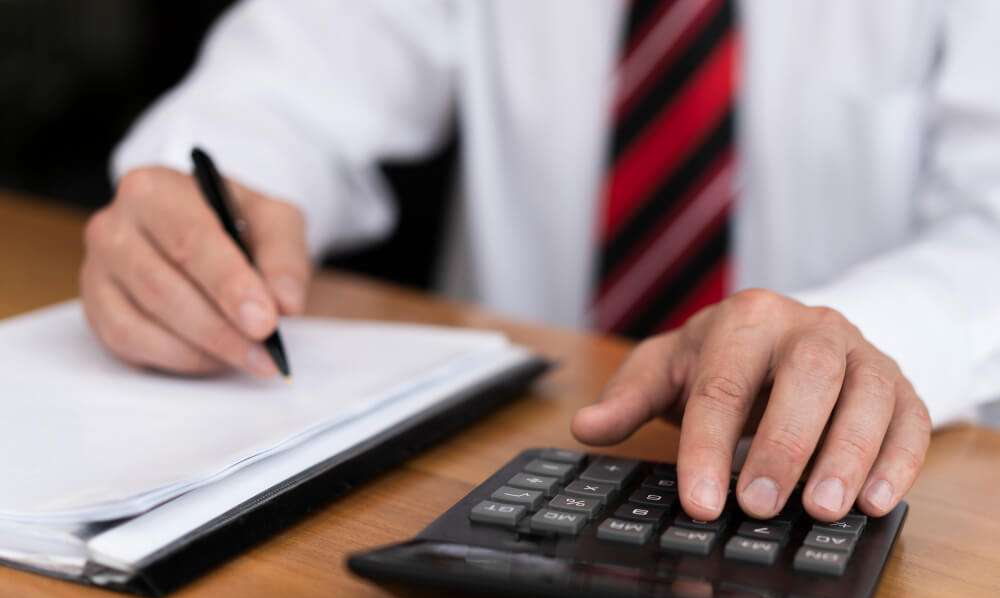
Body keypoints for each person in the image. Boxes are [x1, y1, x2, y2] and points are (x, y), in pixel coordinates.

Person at [80, 1, 1000, 525]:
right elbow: (284, 80)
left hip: (837, 504)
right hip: (482, 480)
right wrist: (202, 193)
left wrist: (860, 342)